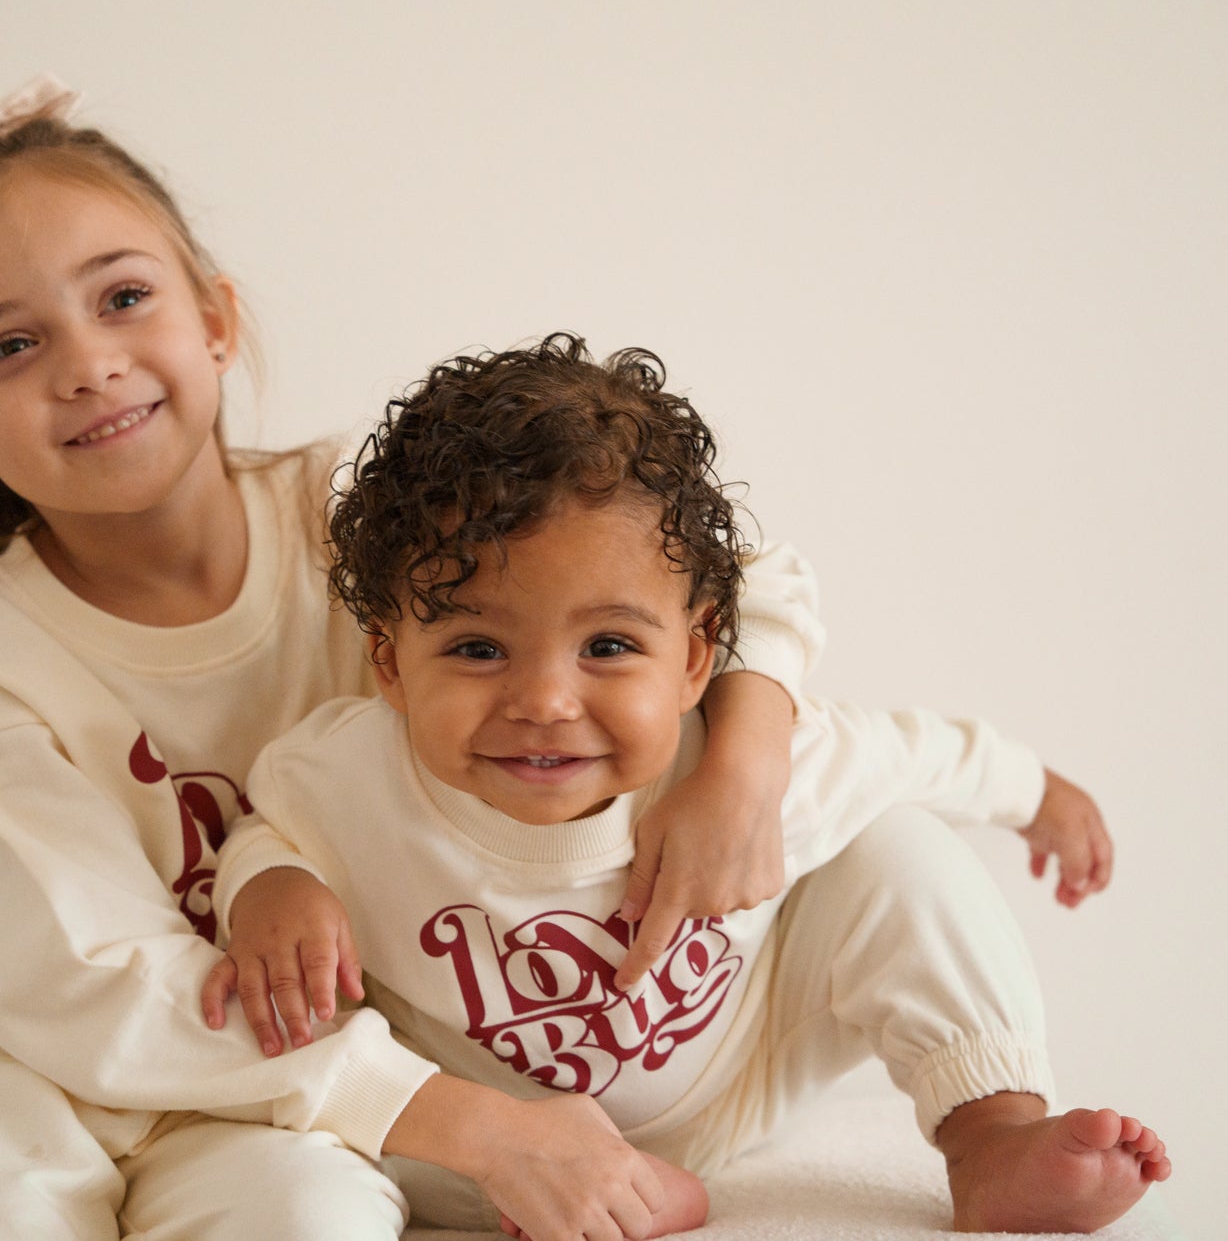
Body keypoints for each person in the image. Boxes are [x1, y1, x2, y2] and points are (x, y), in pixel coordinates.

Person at [0, 78, 826, 1241]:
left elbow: (717, 570)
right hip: (24, 1057)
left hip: (284, 1083)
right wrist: (476, 1125)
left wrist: (741, 767)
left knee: (306, 1214)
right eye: (10, 346)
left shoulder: (356, 514)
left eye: (124, 297)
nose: (87, 364)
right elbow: (83, 981)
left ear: (216, 323)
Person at [202, 333, 1172, 1236]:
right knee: (324, 1140)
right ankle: (584, 1199)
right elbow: (270, 826)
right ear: (388, 661)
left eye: (608, 646)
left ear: (698, 656)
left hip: (732, 1084)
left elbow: (918, 752)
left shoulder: (739, 767)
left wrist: (1041, 796)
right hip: (491, 1135)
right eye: (478, 648)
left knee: (901, 849)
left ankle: (991, 1134)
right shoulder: (345, 776)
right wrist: (272, 885)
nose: (544, 702)